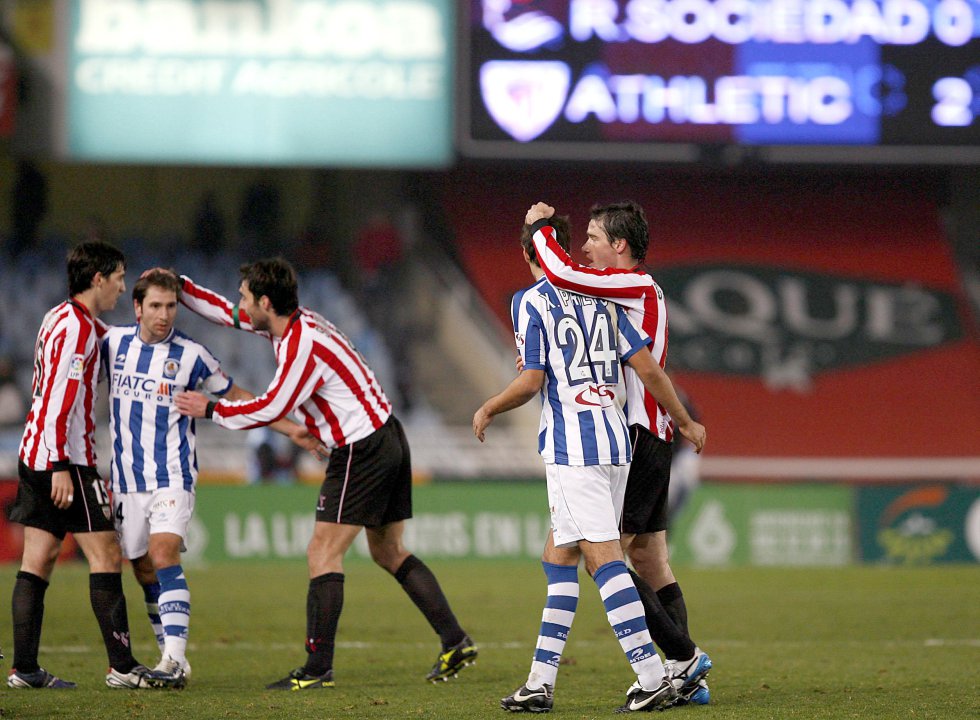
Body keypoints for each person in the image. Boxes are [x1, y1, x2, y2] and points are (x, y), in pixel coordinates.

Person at [171, 258, 477, 689]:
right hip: (386, 436)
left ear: (264, 302)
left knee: (322, 552)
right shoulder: (293, 324)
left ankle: (317, 669)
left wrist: (211, 409)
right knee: (389, 551)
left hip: (361, 449)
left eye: (245, 298)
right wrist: (180, 286)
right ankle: (456, 641)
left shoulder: (301, 345)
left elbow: (271, 407)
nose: (240, 305)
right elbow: (224, 312)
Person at [472, 213, 704, 713]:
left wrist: (489, 406)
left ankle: (653, 674)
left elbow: (532, 381)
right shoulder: (605, 301)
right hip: (618, 442)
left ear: (530, 253)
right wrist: (685, 420)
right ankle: (539, 683)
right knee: (558, 558)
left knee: (605, 561)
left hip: (573, 447)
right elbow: (647, 367)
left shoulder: (530, 300)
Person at [101, 270, 325, 688]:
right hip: (127, 479)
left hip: (173, 474)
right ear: (137, 308)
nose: (164, 315)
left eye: (171, 306)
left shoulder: (192, 355)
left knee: (164, 553)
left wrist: (291, 429)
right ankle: (170, 654)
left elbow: (238, 396)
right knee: (144, 569)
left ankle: (172, 660)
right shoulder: (111, 343)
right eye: (155, 306)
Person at [8, 241, 150, 690]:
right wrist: (60, 466)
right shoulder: (79, 330)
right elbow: (59, 400)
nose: (122, 288)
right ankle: (123, 667)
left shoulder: (60, 317)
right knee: (106, 553)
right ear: (98, 279)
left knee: (39, 559)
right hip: (66, 460)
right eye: (119, 279)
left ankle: (25, 669)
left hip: (35, 453)